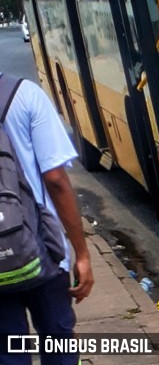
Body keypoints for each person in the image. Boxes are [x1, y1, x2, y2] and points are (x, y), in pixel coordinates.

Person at [0, 75, 94, 365]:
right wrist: (81, 253)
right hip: (45, 252)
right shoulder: (26, 95)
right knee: (58, 346)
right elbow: (56, 180)